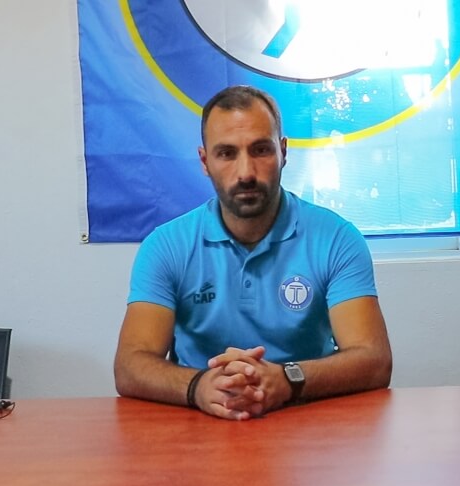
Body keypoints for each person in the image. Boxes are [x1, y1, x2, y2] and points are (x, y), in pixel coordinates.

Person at [115, 85, 392, 419]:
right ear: (205, 161)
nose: (246, 172)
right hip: (199, 421)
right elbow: (129, 366)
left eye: (261, 150)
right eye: (227, 153)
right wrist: (199, 386)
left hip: (307, 419)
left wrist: (287, 379)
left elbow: (374, 360)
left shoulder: (336, 238)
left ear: (283, 151)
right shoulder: (166, 246)